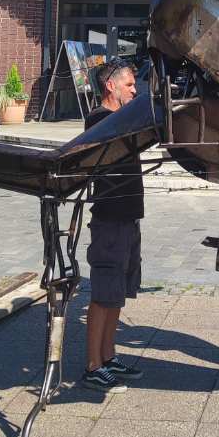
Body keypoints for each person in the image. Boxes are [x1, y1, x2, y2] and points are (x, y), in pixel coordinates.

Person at [81, 61, 145, 394]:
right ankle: (93, 366)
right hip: (109, 219)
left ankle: (108, 356)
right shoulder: (99, 120)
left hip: (128, 217)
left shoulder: (124, 120)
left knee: (117, 294)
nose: (135, 90)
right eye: (130, 85)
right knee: (104, 294)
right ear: (111, 86)